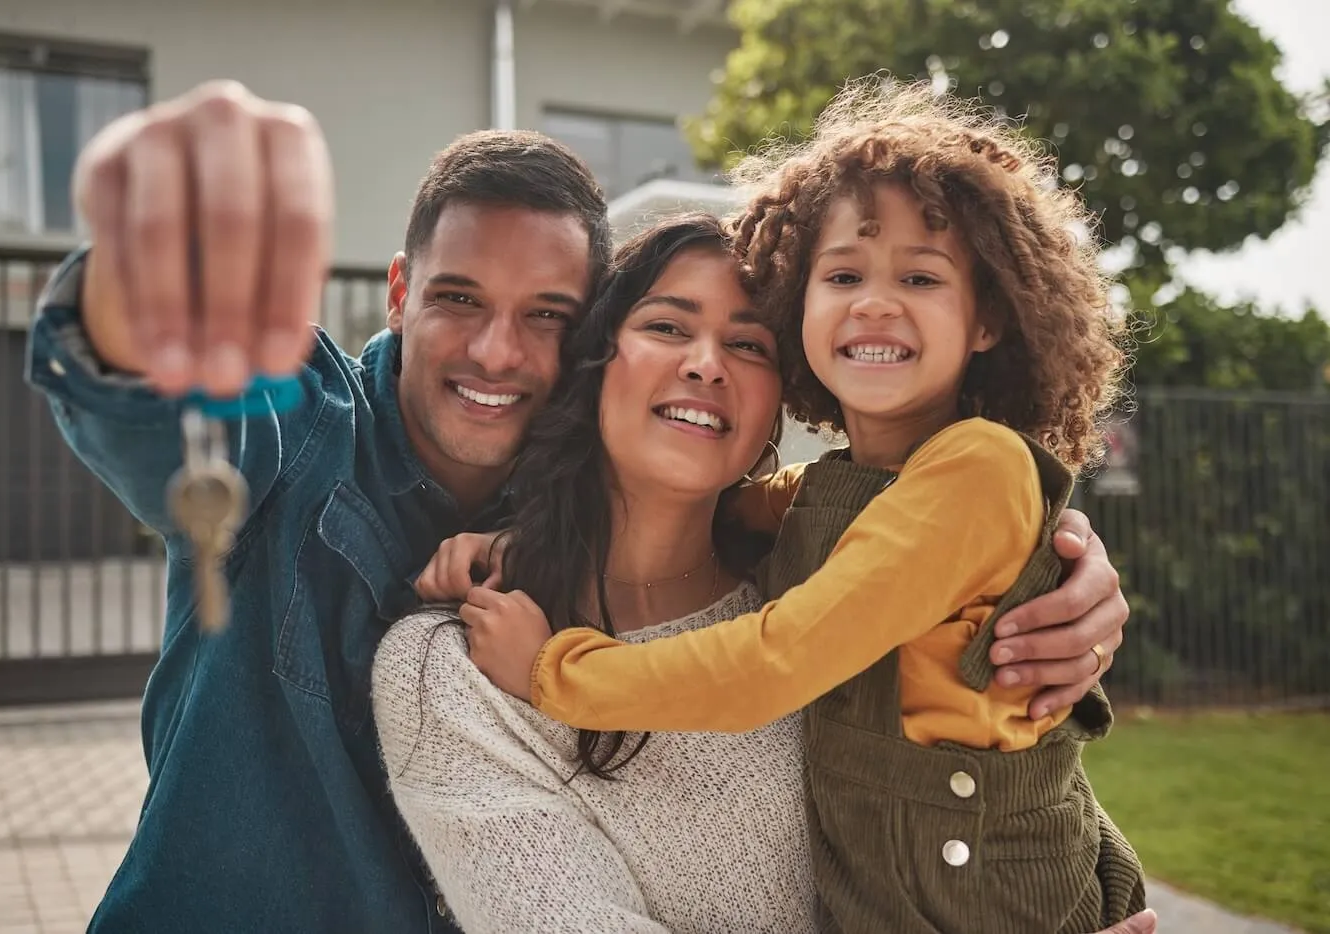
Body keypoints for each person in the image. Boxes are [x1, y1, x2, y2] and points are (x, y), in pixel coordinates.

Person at [27, 79, 1134, 932]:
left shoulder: (800, 570)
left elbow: (962, 773)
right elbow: (171, 405)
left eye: (744, 342)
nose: (499, 349)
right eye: (459, 299)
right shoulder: (344, 483)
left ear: (774, 401)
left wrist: (1050, 567)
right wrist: (143, 274)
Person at [455, 80, 1146, 933]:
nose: (874, 301)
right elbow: (725, 510)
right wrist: (518, 540)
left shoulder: (980, 465)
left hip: (991, 895)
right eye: (843, 273)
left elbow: (774, 663)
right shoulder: (838, 486)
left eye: (921, 276)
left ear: (988, 320)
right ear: (800, 308)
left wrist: (550, 672)